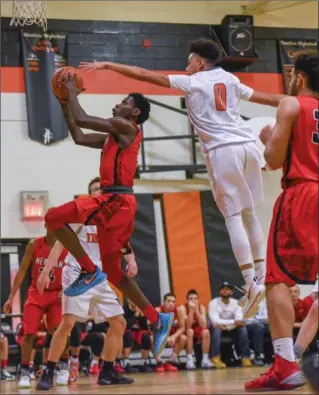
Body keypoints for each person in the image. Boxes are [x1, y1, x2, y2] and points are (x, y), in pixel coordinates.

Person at [80, 38, 286, 319]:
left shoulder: (194, 81)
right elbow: (268, 98)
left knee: (233, 217)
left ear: (200, 62)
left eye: (189, 60)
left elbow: (146, 75)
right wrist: (297, 102)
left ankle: (251, 283)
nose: (186, 65)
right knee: (250, 213)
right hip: (249, 146)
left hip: (222, 150)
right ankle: (260, 278)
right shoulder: (230, 79)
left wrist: (108, 64)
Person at [44, 84, 173, 357]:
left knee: (53, 217)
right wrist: (65, 103)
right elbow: (78, 135)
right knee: (115, 273)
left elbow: (83, 118)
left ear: (134, 112)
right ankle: (156, 318)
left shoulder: (126, 127)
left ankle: (89, 269)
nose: (118, 103)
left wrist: (72, 93)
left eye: (124, 100)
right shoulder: (113, 136)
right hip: (120, 204)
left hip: (114, 201)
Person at [245, 51, 319, 391]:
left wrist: (267, 137)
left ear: (299, 78)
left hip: (303, 193)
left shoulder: (291, 105)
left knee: (277, 277)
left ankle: (285, 363)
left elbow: (272, 160)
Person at [36, 177, 134, 389]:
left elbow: (123, 242)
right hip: (76, 273)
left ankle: (107, 371)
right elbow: (60, 245)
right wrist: (46, 271)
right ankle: (49, 371)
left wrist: (131, 260)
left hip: (99, 276)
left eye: (101, 189)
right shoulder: (80, 217)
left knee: (119, 323)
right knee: (68, 323)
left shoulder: (112, 219)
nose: (99, 192)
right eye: (95, 189)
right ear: (90, 194)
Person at [2, 230, 67, 389]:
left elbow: (75, 271)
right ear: (46, 225)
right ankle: (25, 370)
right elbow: (22, 270)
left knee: (59, 332)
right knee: (28, 332)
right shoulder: (34, 244)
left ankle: (63, 366)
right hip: (36, 293)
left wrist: (67, 290)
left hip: (57, 294)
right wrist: (11, 296)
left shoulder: (67, 247)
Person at [208, 282, 253, 369]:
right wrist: (233, 322)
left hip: (232, 329)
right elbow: (215, 321)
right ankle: (215, 357)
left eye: (228, 289)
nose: (225, 291)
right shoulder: (213, 303)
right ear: (220, 292)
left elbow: (239, 320)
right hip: (219, 328)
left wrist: (229, 324)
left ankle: (245, 357)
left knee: (242, 328)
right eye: (223, 289)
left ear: (231, 292)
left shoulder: (236, 303)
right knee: (216, 328)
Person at [180, 289, 213, 369]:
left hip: (198, 330)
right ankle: (189, 360)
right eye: (191, 298)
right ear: (187, 300)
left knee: (206, 332)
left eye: (195, 298)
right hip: (186, 331)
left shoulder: (201, 307)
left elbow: (203, 325)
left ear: (198, 300)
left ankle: (205, 359)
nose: (193, 300)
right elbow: (188, 326)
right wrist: (191, 311)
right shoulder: (182, 308)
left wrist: (196, 311)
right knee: (190, 331)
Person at [155, 293, 187, 371]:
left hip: (172, 336)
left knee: (183, 338)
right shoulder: (158, 311)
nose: (171, 303)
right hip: (160, 335)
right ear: (164, 302)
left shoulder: (178, 310)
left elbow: (182, 328)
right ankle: (159, 363)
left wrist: (173, 336)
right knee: (150, 338)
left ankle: (171, 362)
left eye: (173, 301)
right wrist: (166, 337)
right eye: (169, 301)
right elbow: (154, 329)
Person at [294, 279, 318, 361]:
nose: (293, 294)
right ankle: (295, 355)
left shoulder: (302, 303)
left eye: (295, 291)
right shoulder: (284, 304)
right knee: (316, 306)